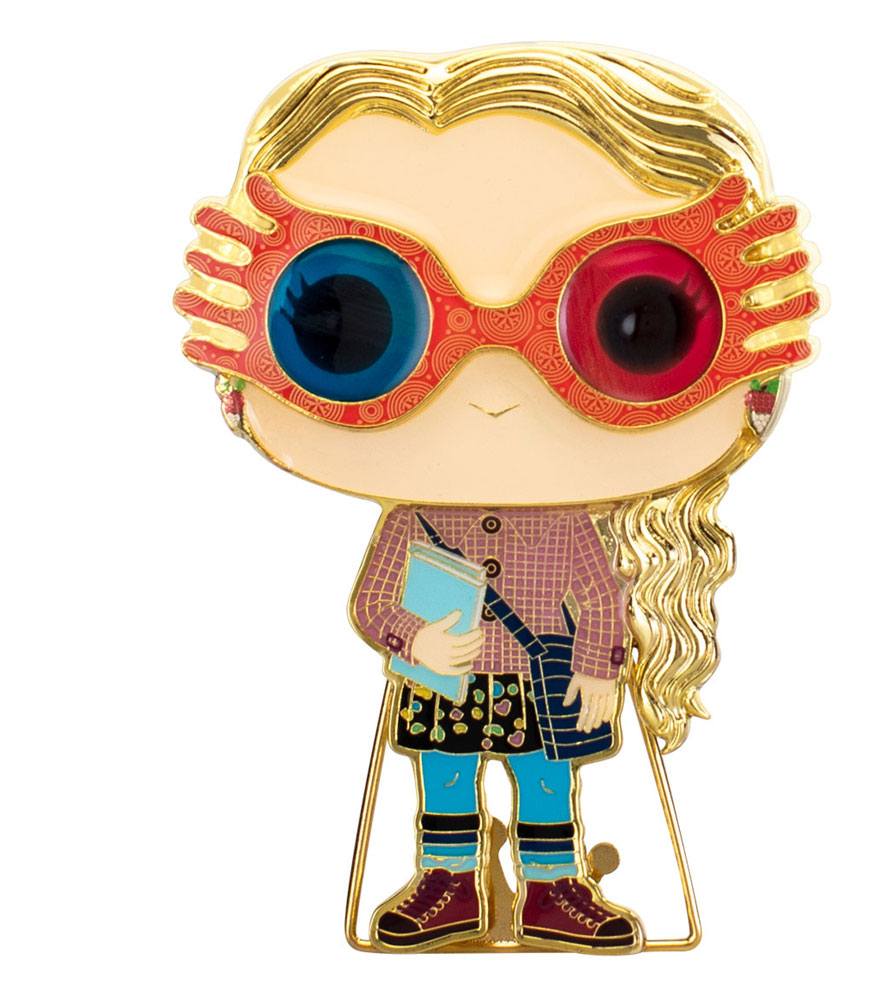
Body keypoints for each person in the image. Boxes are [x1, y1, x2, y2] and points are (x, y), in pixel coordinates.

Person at [177, 44, 820, 952]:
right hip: (445, 676)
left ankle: (554, 889)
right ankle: (449, 884)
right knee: (445, 782)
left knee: (546, 787)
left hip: (542, 674)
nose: (491, 384)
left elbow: (598, 596)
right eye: (353, 320)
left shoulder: (551, 528)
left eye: (632, 323)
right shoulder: (417, 522)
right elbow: (374, 601)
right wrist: (412, 641)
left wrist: (598, 667)